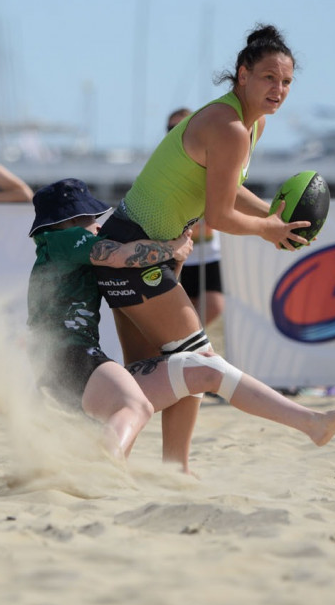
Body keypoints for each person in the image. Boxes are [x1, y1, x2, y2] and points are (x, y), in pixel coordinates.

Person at [94, 25, 312, 472]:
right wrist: (267, 230)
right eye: (269, 77)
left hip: (130, 245)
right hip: (134, 249)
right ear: (243, 75)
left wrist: (272, 214)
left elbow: (229, 189)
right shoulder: (229, 127)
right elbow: (220, 215)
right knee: (192, 362)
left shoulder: (251, 124)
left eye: (287, 81)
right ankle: (174, 469)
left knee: (152, 377)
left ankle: (116, 464)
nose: (279, 89)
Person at [27, 179, 335, 462]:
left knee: (205, 368)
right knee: (136, 406)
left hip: (82, 377)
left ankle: (311, 423)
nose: (99, 225)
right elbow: (120, 255)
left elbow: (152, 284)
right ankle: (103, 471)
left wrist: (176, 257)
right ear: (69, 221)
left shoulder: (77, 255)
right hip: (68, 364)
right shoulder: (60, 241)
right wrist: (170, 247)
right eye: (92, 218)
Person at [167, 107, 225, 327]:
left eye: (182, 126)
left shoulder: (208, 157)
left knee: (213, 306)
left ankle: (189, 343)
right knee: (183, 312)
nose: (176, 131)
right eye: (171, 128)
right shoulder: (167, 163)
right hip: (178, 252)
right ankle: (188, 344)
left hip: (206, 253)